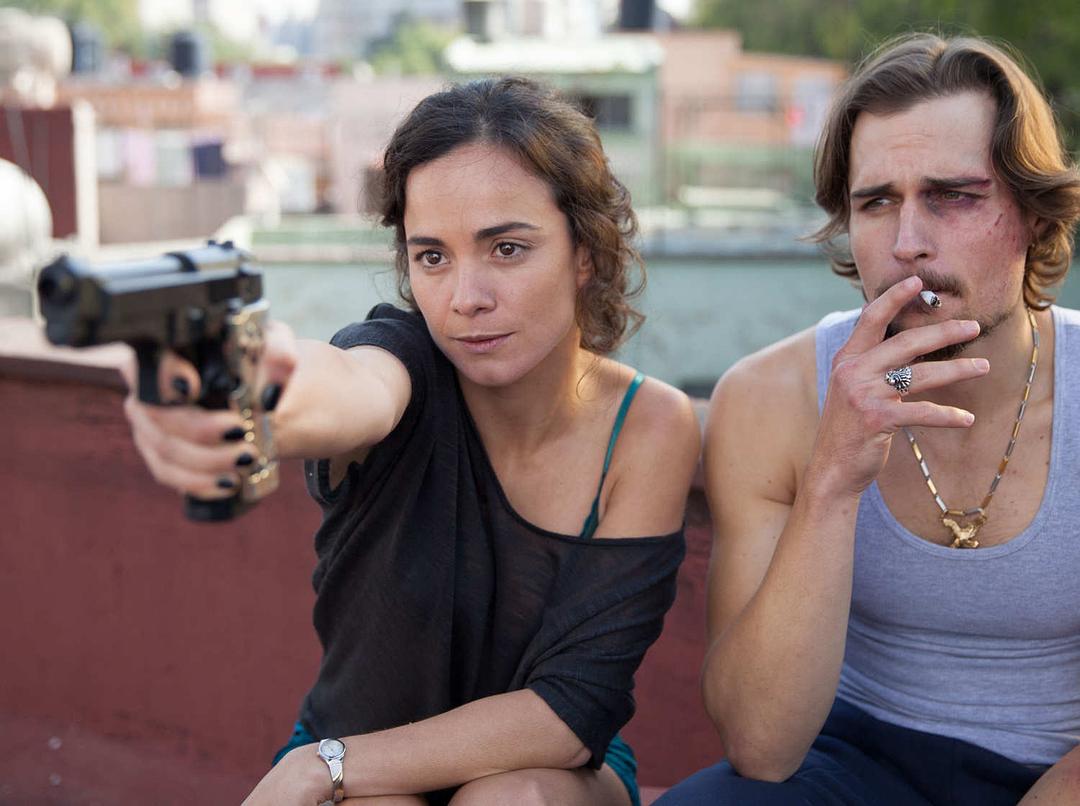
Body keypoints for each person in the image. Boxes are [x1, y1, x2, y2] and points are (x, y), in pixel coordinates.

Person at [122, 76, 700, 806]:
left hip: (543, 763)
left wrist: (320, 767)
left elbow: (570, 710)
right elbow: (349, 388)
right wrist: (254, 399)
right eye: (432, 257)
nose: (465, 298)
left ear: (584, 251)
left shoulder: (648, 425)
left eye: (507, 248)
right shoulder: (402, 363)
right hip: (355, 742)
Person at [659, 33, 1080, 805]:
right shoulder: (773, 394)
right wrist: (833, 477)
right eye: (877, 203)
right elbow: (758, 745)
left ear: (1032, 214)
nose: (908, 244)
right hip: (851, 759)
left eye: (955, 196)